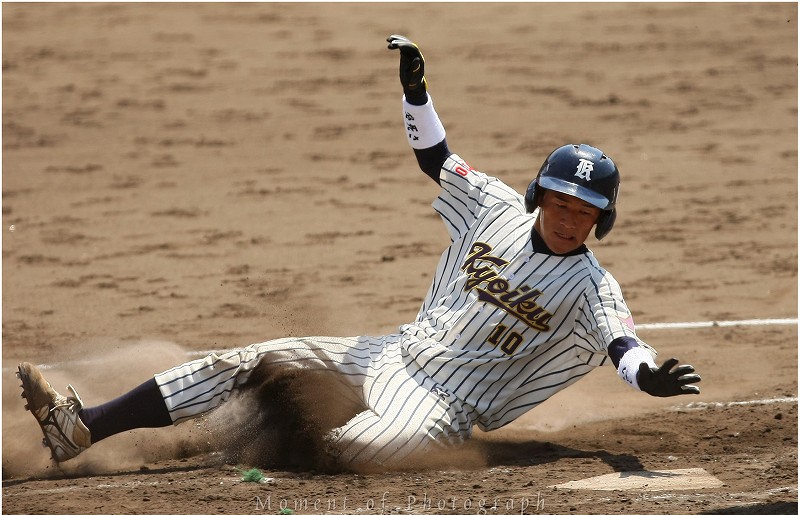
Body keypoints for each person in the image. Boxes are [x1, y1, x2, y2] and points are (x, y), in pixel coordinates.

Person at [17, 35, 701, 471]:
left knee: (348, 449)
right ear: (539, 196)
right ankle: (83, 426)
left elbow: (624, 347)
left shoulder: (590, 286)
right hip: (385, 351)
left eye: (585, 213)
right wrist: (416, 93)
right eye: (561, 203)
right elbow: (436, 157)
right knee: (243, 360)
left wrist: (650, 379)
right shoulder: (493, 204)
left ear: (600, 222)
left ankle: (252, 434)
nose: (569, 219)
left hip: (444, 404)